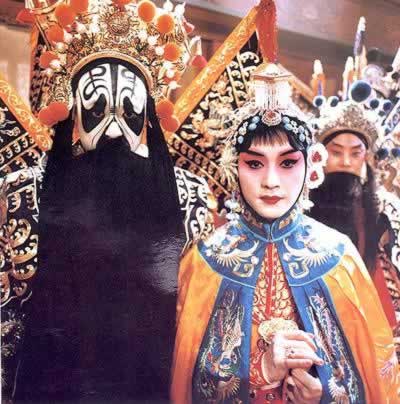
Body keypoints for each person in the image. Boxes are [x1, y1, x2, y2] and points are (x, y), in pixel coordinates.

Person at [0, 1, 214, 402]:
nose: (114, 131)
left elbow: (196, 329)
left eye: (129, 113)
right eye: (97, 110)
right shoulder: (23, 194)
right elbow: (6, 326)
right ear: (73, 113)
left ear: (147, 117)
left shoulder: (190, 200)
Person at [171, 62, 399, 403]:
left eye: (288, 162)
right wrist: (260, 371)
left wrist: (323, 395)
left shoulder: (340, 258)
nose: (271, 181)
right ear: (234, 167)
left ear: (311, 167)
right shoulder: (204, 262)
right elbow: (184, 381)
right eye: (254, 163)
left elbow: (375, 382)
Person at [309, 79, 400, 351]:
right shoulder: (301, 206)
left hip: (367, 308)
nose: (346, 161)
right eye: (336, 152)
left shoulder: (384, 210)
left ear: (366, 157)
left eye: (355, 153)